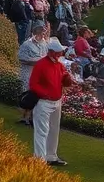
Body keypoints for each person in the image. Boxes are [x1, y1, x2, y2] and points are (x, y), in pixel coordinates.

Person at [28, 38, 73, 166]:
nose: (60, 54)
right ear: (51, 52)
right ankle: (40, 160)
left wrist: (68, 79)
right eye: (58, 52)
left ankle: (51, 156)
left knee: (54, 130)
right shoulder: (41, 64)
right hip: (43, 102)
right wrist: (44, 94)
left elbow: (65, 81)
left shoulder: (59, 65)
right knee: (42, 131)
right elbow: (33, 84)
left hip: (56, 101)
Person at [17, 24, 49, 125]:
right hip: (28, 72)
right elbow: (21, 58)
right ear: (38, 33)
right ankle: (23, 117)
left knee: (35, 95)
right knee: (26, 94)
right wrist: (37, 61)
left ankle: (30, 117)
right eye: (43, 33)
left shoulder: (44, 44)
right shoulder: (27, 44)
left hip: (39, 74)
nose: (44, 35)